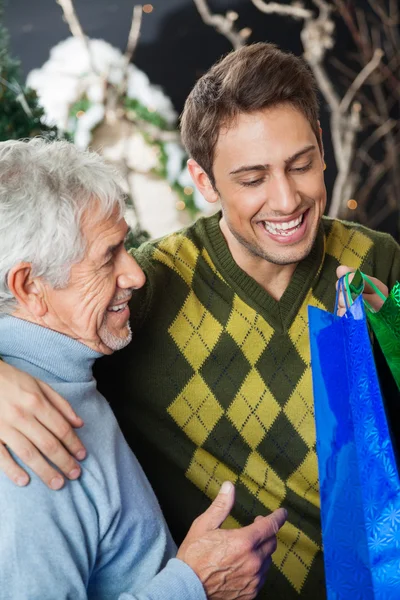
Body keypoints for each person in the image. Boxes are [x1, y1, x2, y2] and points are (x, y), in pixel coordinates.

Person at [0, 43, 398, 599]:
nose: (286, 198)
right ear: (204, 182)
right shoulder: (138, 293)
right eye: (253, 178)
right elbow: (40, 306)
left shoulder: (378, 263)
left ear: (322, 152)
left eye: (301, 164)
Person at [0, 138, 286, 600]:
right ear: (30, 286)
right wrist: (193, 586)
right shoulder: (22, 456)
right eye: (107, 256)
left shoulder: (65, 376)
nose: (135, 274)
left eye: (126, 246)